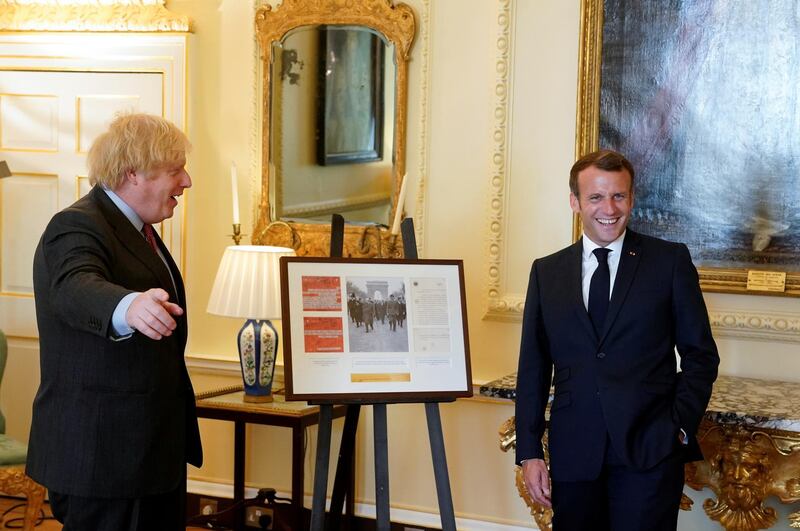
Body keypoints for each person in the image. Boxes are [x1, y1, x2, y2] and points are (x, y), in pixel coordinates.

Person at [515, 149, 719, 531]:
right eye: (595, 197)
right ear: (575, 201)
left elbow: (701, 356)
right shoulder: (547, 272)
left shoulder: (669, 261)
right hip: (575, 452)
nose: (608, 208)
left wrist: (677, 427)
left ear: (631, 198)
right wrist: (529, 453)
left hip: (650, 450)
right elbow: (534, 367)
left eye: (618, 196)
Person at [26, 113, 202, 531]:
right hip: (104, 458)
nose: (187, 181)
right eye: (175, 170)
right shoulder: (77, 224)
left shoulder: (138, 228)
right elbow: (74, 284)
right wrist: (127, 306)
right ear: (133, 174)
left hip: (149, 455)